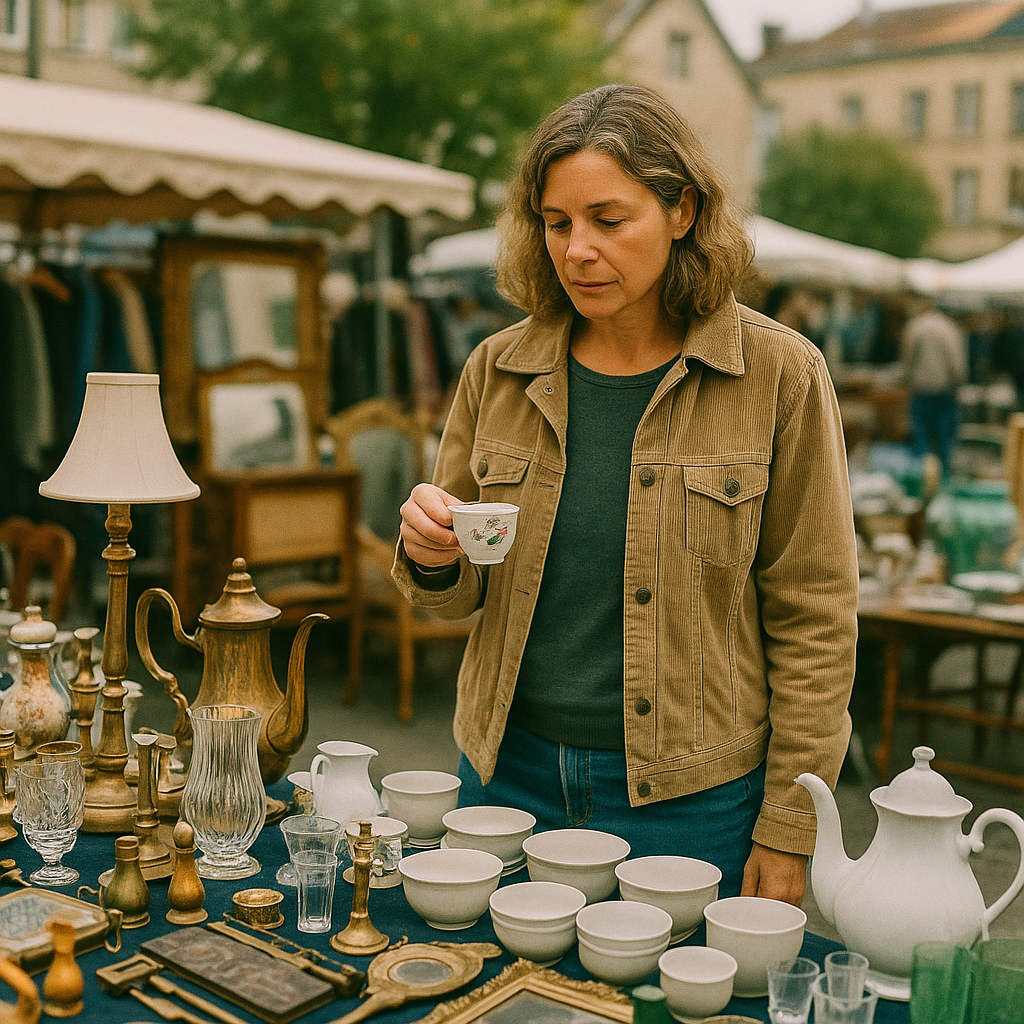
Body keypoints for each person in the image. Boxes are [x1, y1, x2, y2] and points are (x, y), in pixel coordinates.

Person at [394, 84, 858, 905]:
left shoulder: (781, 376)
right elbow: (458, 590)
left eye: (609, 221)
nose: (577, 250)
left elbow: (816, 615)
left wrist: (791, 825)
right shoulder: (497, 369)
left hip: (694, 801)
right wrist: (431, 554)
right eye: (556, 221)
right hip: (506, 776)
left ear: (681, 211)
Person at [900, 297, 967, 477]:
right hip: (945, 390)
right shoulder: (949, 328)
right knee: (945, 438)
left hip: (921, 389)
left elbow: (907, 359)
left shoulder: (916, 326)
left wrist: (907, 379)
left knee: (921, 436)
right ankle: (944, 478)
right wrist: (957, 384)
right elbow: (957, 363)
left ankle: (922, 479)